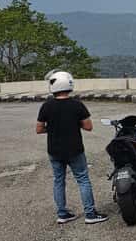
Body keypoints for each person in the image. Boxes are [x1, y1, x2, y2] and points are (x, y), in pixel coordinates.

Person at [36, 71, 108, 224]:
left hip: (54, 151)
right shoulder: (77, 104)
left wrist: (53, 128)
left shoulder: (46, 106)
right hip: (74, 149)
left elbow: (39, 129)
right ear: (69, 84)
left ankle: (62, 214)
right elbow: (88, 126)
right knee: (82, 179)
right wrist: (73, 124)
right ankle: (90, 214)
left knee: (58, 181)